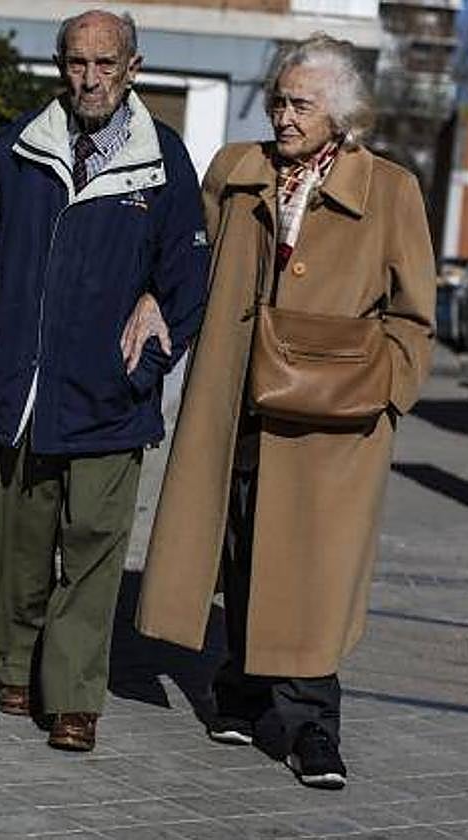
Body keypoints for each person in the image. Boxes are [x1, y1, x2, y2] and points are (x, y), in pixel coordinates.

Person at [135, 34, 436, 788]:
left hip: (335, 419)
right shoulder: (238, 172)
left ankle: (310, 725)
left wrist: (385, 393)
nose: (283, 115)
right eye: (278, 99)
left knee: (311, 569)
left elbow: (414, 315)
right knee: (240, 547)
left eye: (300, 103)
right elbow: (189, 260)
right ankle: (237, 690)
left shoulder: (390, 189)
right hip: (237, 399)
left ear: (340, 113)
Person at [0, 10, 208, 752]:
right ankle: (16, 665)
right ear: (62, 65)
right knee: (19, 547)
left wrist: (153, 342)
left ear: (133, 67)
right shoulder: (19, 149)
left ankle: (75, 697)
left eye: (105, 64)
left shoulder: (165, 162)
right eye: (77, 63)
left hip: (110, 393)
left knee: (93, 545)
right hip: (20, 389)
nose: (90, 79)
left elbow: (188, 274)